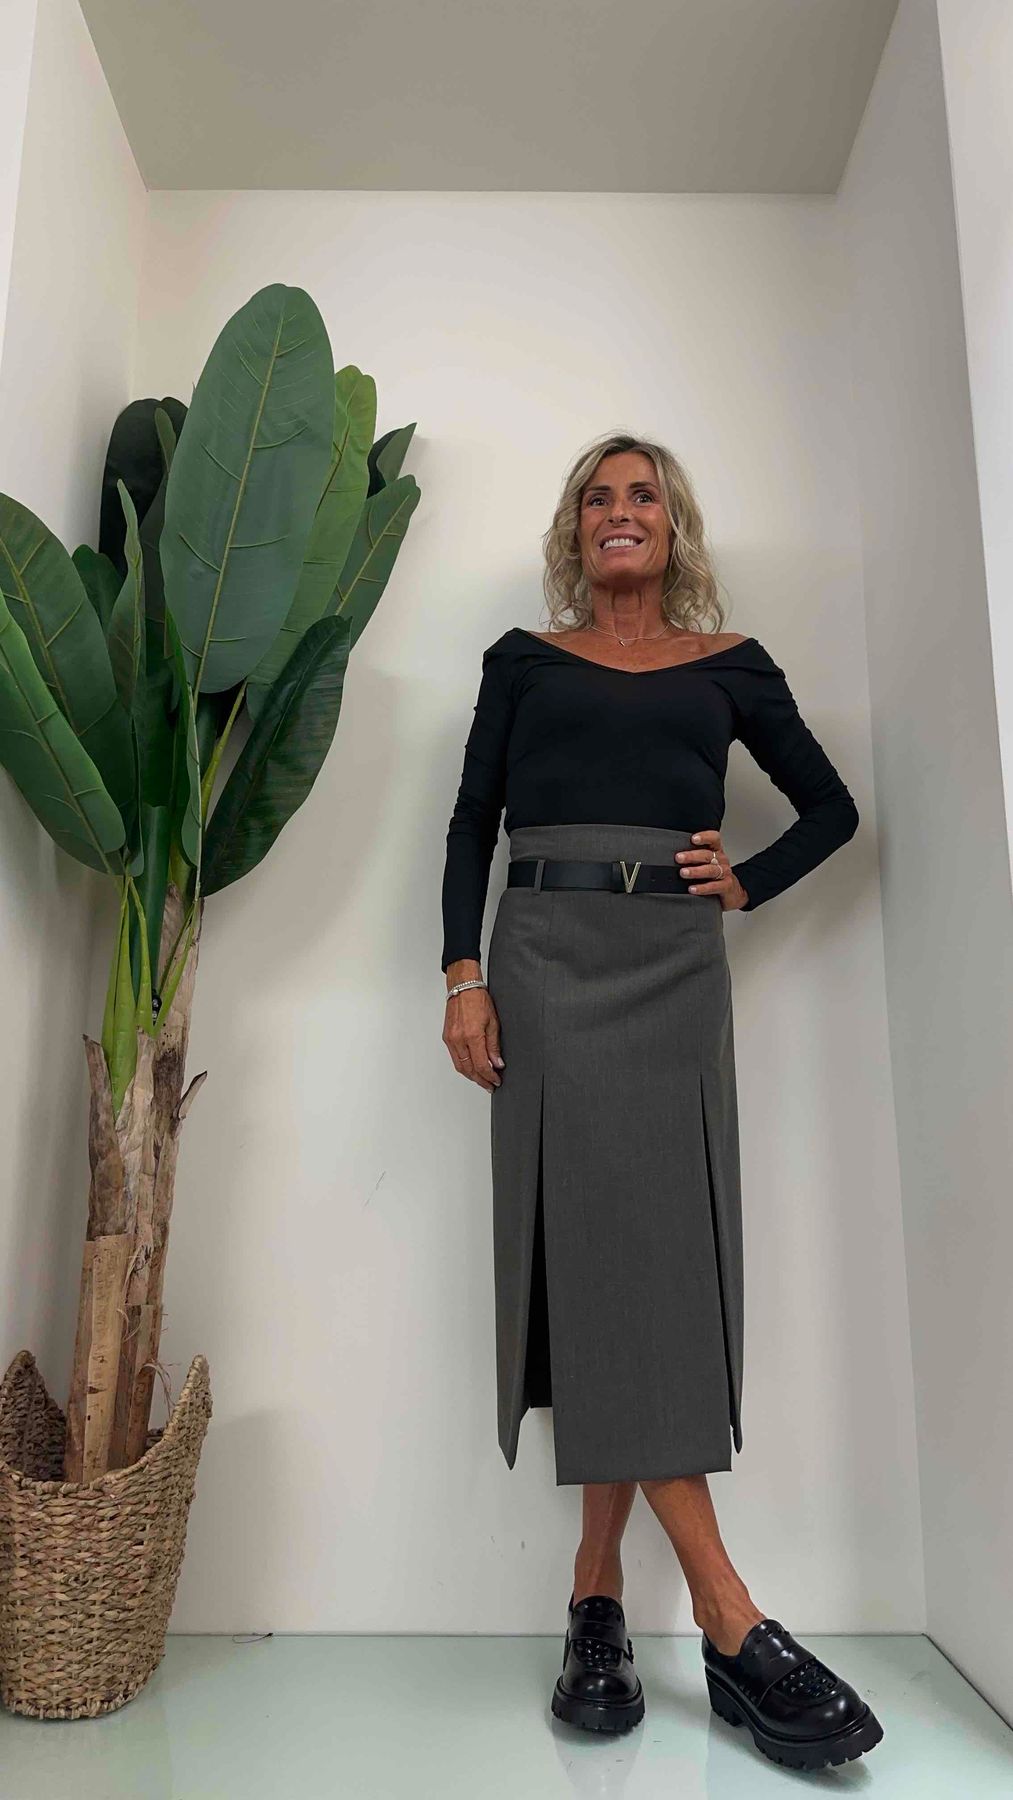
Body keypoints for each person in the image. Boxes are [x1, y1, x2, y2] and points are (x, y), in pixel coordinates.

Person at [439, 431, 883, 1771]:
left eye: (642, 496)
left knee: (650, 1275)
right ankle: (728, 1616)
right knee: (597, 1266)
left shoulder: (730, 665)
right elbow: (471, 823)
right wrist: (463, 978)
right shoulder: (523, 661)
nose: (619, 512)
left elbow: (830, 810)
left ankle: (596, 1599)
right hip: (544, 964)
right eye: (598, 497)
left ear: (672, 527)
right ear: (574, 530)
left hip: (672, 974)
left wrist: (748, 880)